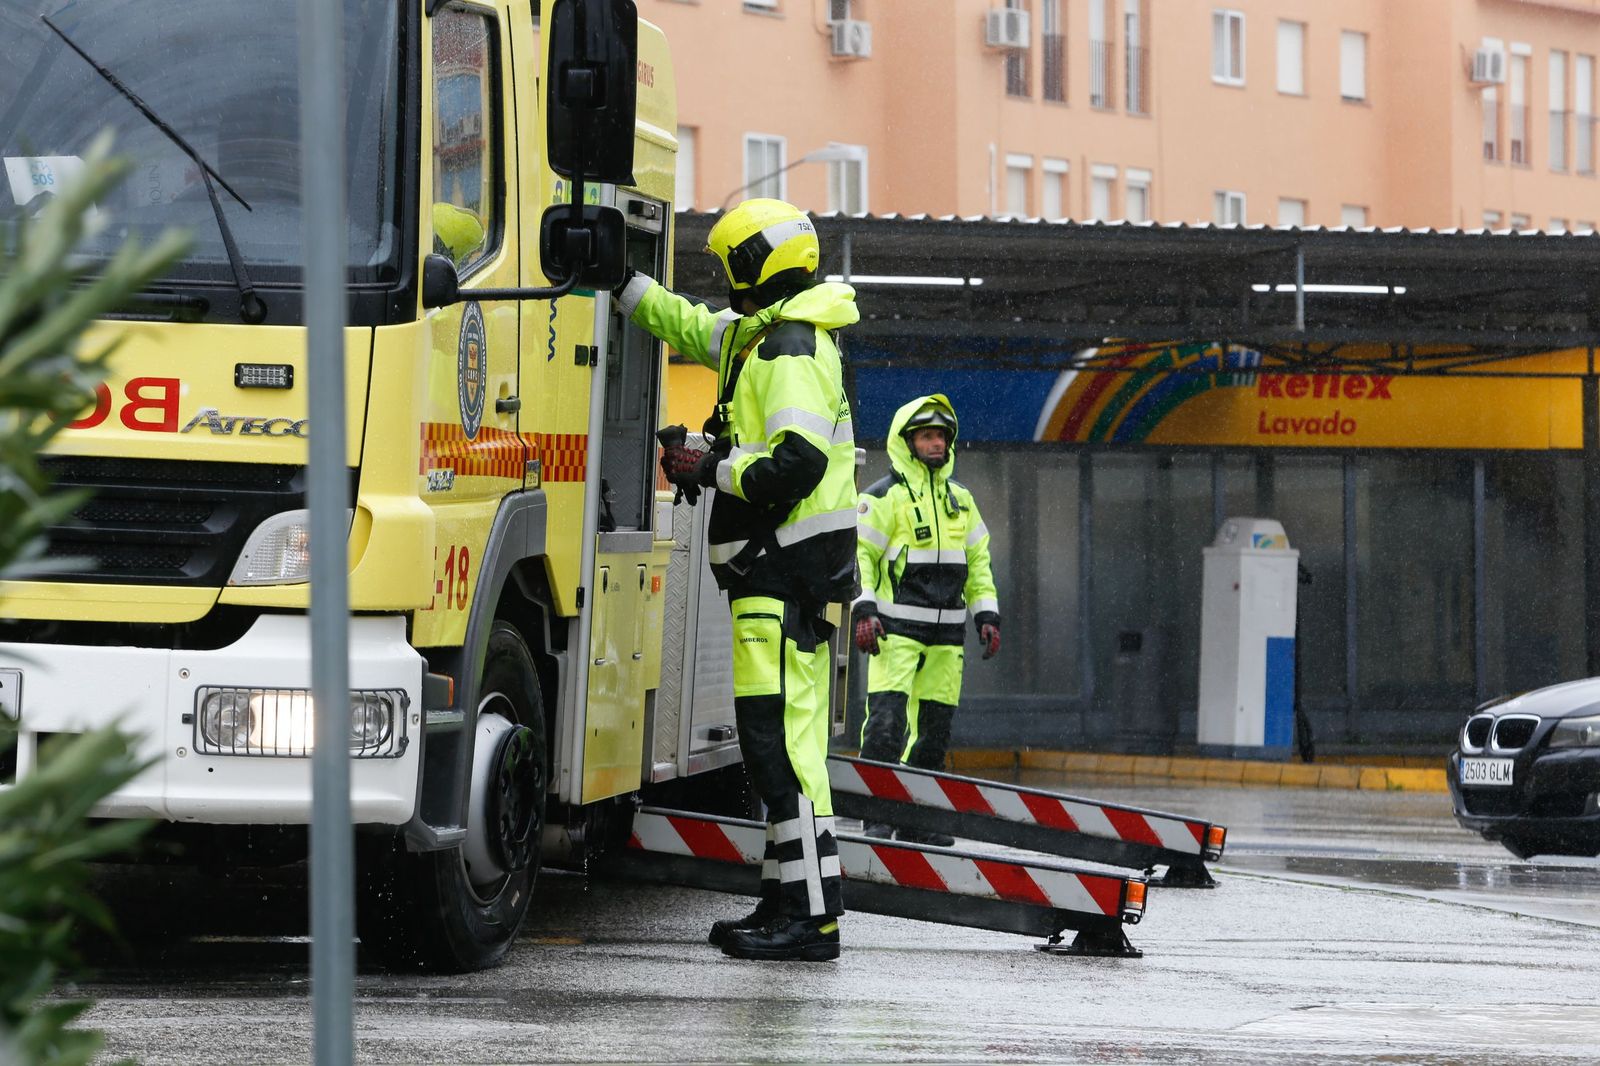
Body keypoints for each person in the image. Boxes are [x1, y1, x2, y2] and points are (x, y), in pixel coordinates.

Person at [613, 198, 859, 961]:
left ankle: (810, 920)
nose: (724, 280)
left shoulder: (789, 346)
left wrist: (708, 465)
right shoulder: (757, 339)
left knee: (782, 751)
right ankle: (785, 902)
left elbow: (797, 463)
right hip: (776, 577)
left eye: (731, 265)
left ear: (756, 266)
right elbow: (687, 323)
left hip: (785, 576)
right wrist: (618, 281)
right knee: (774, 749)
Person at [853, 394, 1000, 846]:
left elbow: (979, 563)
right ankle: (876, 817)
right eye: (926, 436)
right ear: (908, 442)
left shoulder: (962, 500)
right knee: (885, 728)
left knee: (934, 734)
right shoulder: (881, 497)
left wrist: (987, 614)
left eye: (940, 436)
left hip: (947, 635)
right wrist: (864, 608)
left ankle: (920, 821)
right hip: (894, 631)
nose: (935, 444)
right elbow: (860, 558)